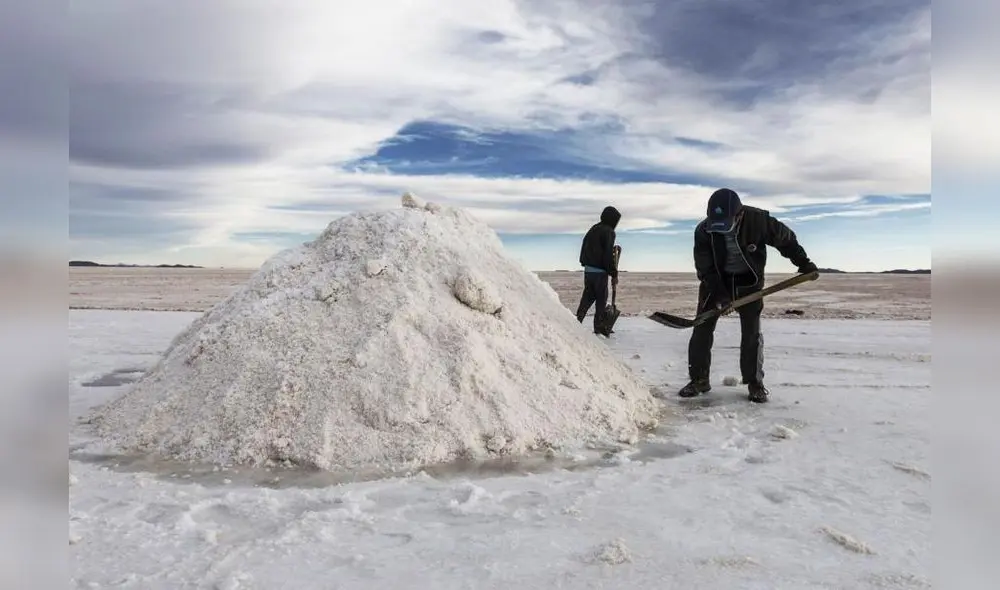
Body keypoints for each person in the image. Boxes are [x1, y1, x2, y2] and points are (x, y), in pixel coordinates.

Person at [678, 188, 818, 403]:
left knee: (751, 334)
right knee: (701, 330)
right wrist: (719, 294)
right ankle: (699, 380)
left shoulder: (759, 221)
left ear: (739, 214)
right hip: (716, 283)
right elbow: (705, 268)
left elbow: (786, 240)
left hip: (749, 284)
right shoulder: (703, 230)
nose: (722, 230)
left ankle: (754, 382)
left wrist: (803, 263)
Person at [575, 206, 621, 336]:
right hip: (600, 272)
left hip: (588, 271)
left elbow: (584, 246)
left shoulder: (593, 229)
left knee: (588, 297)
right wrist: (614, 273)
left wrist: (585, 263)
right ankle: (599, 329)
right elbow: (607, 255)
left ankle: (576, 322)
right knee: (601, 299)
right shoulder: (609, 232)